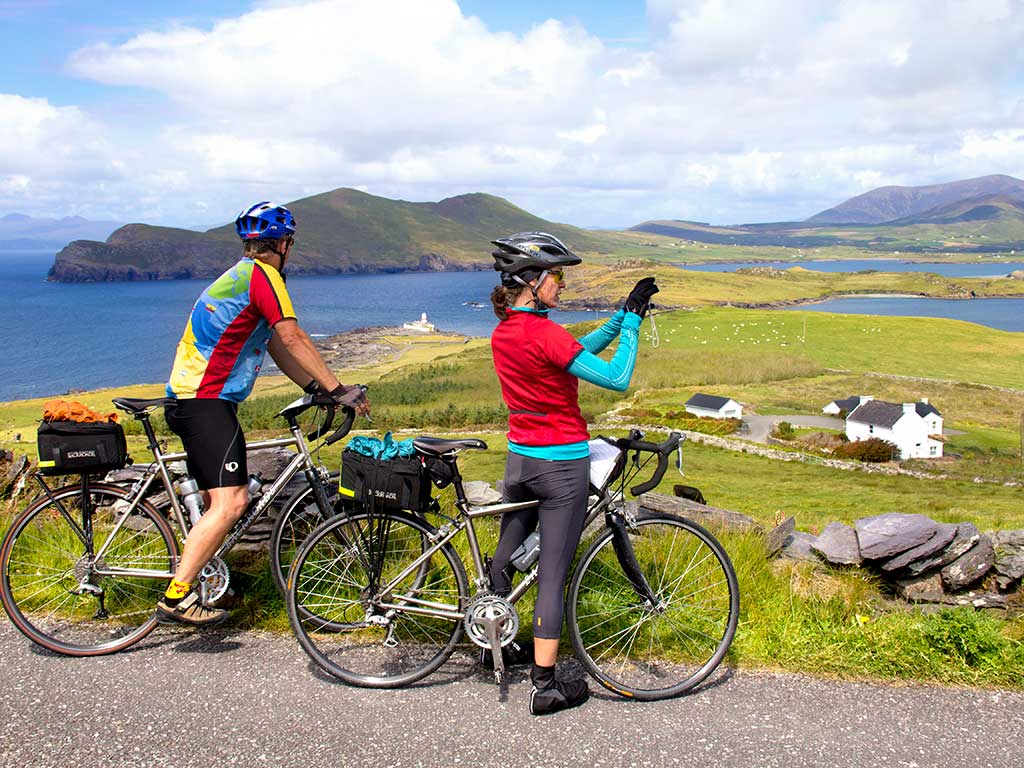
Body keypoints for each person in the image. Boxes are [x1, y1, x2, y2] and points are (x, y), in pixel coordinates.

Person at [156, 201, 370, 626]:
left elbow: (274, 343)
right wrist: (337, 389)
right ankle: (177, 597)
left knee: (220, 500)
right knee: (232, 502)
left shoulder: (241, 276)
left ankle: (210, 581)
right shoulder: (264, 276)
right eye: (290, 242)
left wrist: (314, 388)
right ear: (283, 244)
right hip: (206, 402)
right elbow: (291, 336)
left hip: (193, 400)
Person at [488, 231, 658, 715]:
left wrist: (623, 314)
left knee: (505, 556)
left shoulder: (508, 332)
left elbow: (572, 351)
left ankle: (490, 644)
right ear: (535, 281)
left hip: (519, 460)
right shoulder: (545, 334)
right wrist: (634, 329)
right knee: (552, 575)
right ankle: (545, 686)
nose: (561, 285)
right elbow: (616, 377)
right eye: (557, 277)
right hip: (560, 467)